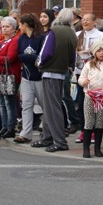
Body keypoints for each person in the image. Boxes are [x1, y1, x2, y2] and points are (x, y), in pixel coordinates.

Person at [33, 8, 78, 152]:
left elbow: (46, 52)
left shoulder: (54, 31)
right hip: (62, 71)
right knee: (51, 107)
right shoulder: (72, 33)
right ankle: (47, 137)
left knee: (52, 109)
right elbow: (73, 57)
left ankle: (59, 141)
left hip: (50, 72)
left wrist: (39, 63)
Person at [78, 40, 103, 158]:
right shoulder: (88, 65)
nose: (101, 53)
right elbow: (81, 78)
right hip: (90, 96)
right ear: (94, 53)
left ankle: (97, 149)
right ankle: (86, 149)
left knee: (99, 122)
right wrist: (83, 82)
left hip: (102, 97)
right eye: (99, 51)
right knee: (89, 122)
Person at [74, 13, 103, 142]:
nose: (85, 22)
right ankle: (84, 130)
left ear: (95, 21)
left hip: (96, 74)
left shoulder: (101, 35)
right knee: (82, 102)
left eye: (88, 20)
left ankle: (94, 131)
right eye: (83, 20)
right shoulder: (78, 35)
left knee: (95, 103)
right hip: (80, 72)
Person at [16, 14, 44, 144]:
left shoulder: (40, 38)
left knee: (45, 105)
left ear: (25, 24)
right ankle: (26, 133)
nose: (19, 27)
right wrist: (27, 57)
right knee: (26, 105)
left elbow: (39, 58)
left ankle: (48, 130)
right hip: (26, 77)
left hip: (39, 77)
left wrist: (26, 57)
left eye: (20, 24)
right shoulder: (21, 38)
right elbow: (18, 55)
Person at [0, 16, 20, 139]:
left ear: (14, 28)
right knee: (1, 103)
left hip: (8, 74)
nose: (4, 29)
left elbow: (10, 58)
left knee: (9, 102)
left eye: (7, 27)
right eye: (3, 27)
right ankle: (4, 126)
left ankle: (10, 127)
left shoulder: (15, 40)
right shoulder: (0, 42)